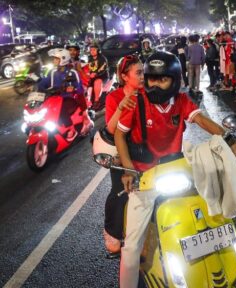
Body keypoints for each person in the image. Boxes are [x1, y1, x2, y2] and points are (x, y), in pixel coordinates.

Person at [114, 51, 236, 288]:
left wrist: (228, 138)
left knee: (211, 214)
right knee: (131, 246)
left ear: (174, 79)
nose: (155, 84)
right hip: (144, 178)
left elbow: (201, 120)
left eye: (162, 79)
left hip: (177, 170)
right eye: (152, 79)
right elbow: (120, 134)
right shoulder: (136, 100)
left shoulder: (181, 101)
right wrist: (128, 169)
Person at [101, 55, 140, 255]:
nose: (143, 77)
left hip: (144, 151)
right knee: (120, 190)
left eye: (144, 72)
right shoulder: (113, 97)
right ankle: (112, 231)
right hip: (120, 151)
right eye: (138, 73)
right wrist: (121, 106)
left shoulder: (147, 94)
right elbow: (110, 127)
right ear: (125, 76)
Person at [38, 48, 91, 134]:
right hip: (53, 99)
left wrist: (73, 89)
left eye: (56, 59)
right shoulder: (52, 72)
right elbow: (43, 83)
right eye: (54, 58)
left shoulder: (73, 72)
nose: (54, 60)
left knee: (59, 109)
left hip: (68, 99)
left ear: (63, 59)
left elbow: (80, 89)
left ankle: (69, 128)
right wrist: (38, 85)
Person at [87, 41, 109, 108]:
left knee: (97, 82)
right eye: (91, 50)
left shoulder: (102, 58)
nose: (92, 51)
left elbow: (103, 69)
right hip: (92, 76)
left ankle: (97, 101)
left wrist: (96, 74)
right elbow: (88, 67)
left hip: (102, 76)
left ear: (98, 50)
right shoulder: (89, 58)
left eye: (94, 50)